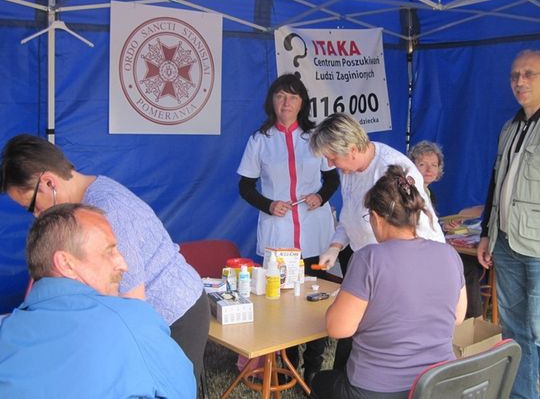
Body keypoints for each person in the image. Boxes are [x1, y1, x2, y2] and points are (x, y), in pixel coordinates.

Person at [0, 134, 208, 387]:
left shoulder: (108, 210)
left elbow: (133, 305)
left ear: (48, 182)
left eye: (31, 205)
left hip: (175, 313)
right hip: (143, 314)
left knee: (167, 383)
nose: (36, 216)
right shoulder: (83, 203)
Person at [0, 203, 196, 398]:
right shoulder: (131, 320)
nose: (123, 264)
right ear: (66, 264)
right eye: (109, 251)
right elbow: (182, 392)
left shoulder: (5, 331)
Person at [310, 165, 467, 399]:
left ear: (376, 217)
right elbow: (458, 316)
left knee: (322, 382)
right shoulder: (449, 254)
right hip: (437, 384)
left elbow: (338, 328)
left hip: (377, 388)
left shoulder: (369, 257)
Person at [310, 112, 445, 370]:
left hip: (401, 274)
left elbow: (417, 231)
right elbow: (351, 215)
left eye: (332, 156)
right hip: (371, 268)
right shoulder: (349, 169)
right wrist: (335, 246)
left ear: (351, 149)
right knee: (352, 341)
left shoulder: (393, 169)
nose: (329, 162)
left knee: (378, 345)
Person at [237, 73, 340, 385]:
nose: (286, 102)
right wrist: (268, 204)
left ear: (302, 103)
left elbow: (334, 178)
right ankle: (289, 361)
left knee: (318, 297)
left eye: (293, 97)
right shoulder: (260, 140)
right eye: (281, 96)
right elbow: (245, 186)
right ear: (272, 100)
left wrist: (320, 196)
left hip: (315, 232)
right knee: (284, 302)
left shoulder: (316, 137)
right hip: (279, 235)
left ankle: (314, 366)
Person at [477, 49, 540, 399]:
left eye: (529, 74)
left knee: (538, 328)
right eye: (515, 75)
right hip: (507, 242)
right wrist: (487, 232)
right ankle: (523, 395)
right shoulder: (510, 126)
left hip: (537, 246)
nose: (520, 81)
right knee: (515, 330)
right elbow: (495, 182)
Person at [408, 140, 484, 319]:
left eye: (433, 165)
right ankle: (472, 321)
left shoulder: (428, 193)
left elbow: (429, 225)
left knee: (469, 266)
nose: (429, 169)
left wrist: (444, 227)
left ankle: (469, 319)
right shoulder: (411, 193)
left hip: (429, 249)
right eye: (422, 164)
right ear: (411, 166)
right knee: (467, 268)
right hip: (418, 254)